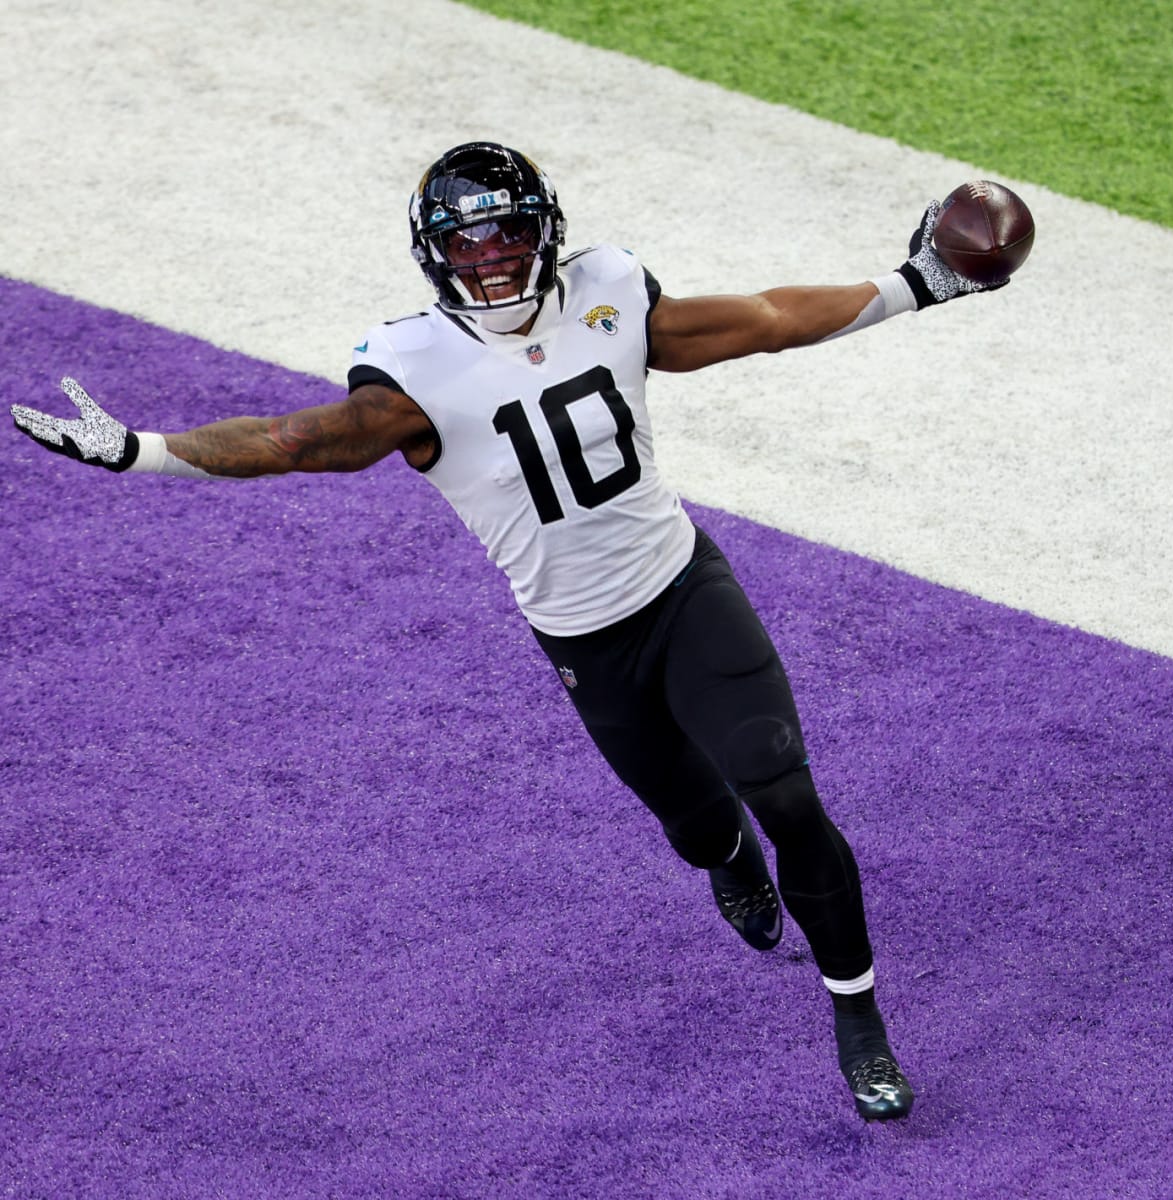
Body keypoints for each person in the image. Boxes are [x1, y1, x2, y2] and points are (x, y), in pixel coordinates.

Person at [11, 141, 1007, 1122]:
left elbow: (763, 321)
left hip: (682, 587)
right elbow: (296, 442)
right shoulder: (410, 365)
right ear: (433, 251)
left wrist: (917, 281)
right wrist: (142, 453)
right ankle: (728, 862)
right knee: (699, 824)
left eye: (509, 234)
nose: (490, 257)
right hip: (583, 639)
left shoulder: (608, 293)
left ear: (546, 232)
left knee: (786, 792)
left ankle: (860, 1021)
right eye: (468, 242)